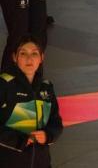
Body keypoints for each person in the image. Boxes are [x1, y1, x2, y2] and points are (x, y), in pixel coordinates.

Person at [0, 35, 63, 167]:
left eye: (34, 53)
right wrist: (20, 140)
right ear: (15, 57)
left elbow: (56, 122)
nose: (29, 59)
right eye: (23, 53)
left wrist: (47, 136)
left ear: (41, 58)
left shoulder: (47, 87)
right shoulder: (4, 84)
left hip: (42, 162)